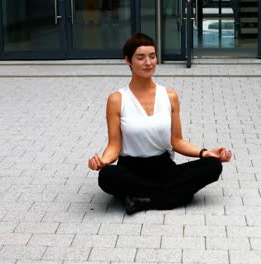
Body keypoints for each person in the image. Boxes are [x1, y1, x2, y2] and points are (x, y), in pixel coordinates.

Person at [88, 33, 231, 214]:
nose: (148, 62)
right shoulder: (117, 99)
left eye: (152, 56)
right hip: (131, 169)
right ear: (128, 61)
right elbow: (114, 145)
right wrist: (102, 161)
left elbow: (177, 141)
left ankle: (142, 199)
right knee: (107, 176)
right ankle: (174, 196)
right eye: (141, 57)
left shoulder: (169, 96)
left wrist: (205, 153)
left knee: (213, 166)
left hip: (163, 168)